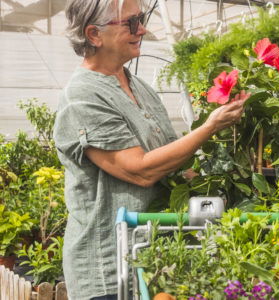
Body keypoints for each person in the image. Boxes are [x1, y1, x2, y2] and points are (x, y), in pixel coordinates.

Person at [54, 0, 249, 299]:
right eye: (131, 23)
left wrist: (226, 176)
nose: (142, 29)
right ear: (94, 34)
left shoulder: (138, 86)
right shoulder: (83, 96)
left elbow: (172, 166)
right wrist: (209, 128)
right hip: (110, 268)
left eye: (141, 19)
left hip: (154, 257)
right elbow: (141, 170)